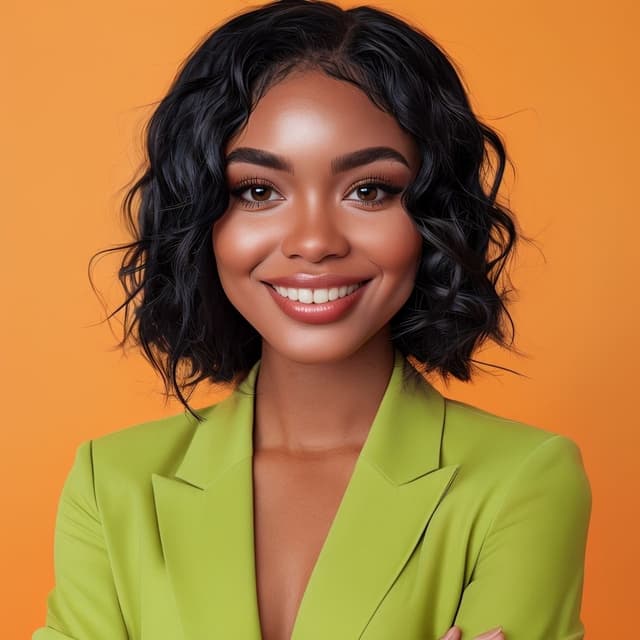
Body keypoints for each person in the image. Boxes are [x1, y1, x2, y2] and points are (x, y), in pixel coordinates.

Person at [33, 1, 592, 639]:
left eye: (370, 190)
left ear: (434, 216)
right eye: (258, 191)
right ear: (201, 219)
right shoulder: (112, 486)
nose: (315, 241)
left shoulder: (522, 481)